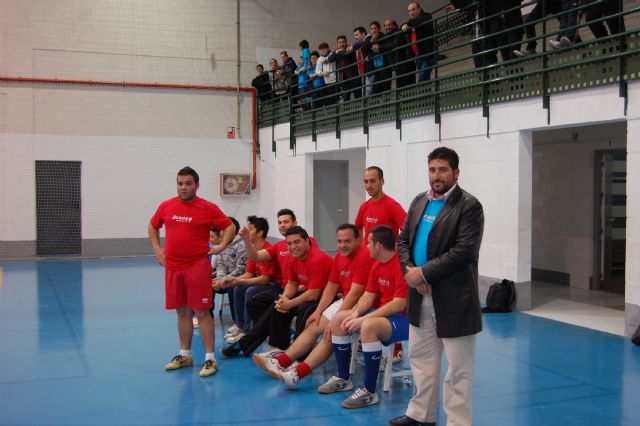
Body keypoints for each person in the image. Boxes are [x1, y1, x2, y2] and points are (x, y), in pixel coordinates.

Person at [390, 147, 484, 426]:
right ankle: (421, 414)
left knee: (458, 369)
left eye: (443, 170)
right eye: (432, 169)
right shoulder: (420, 201)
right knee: (420, 359)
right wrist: (410, 272)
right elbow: (403, 239)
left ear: (456, 172)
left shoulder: (469, 206)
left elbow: (464, 250)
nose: (436, 175)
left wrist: (424, 274)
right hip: (420, 296)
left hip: (454, 298)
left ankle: (457, 421)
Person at [254, 223, 373, 387]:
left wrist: (335, 320)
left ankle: (297, 373)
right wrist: (318, 311)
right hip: (345, 300)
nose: (342, 245)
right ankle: (281, 361)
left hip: (364, 302)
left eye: (347, 241)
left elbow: (355, 293)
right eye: (339, 241)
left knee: (330, 334)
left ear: (358, 239)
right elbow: (332, 286)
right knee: (313, 323)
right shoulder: (339, 256)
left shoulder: (364, 255)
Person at [148, 166, 236, 377]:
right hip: (173, 267)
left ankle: (209, 359)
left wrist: (222, 245)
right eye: (180, 183)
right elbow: (153, 226)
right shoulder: (166, 206)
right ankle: (185, 354)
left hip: (197, 266)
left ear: (196, 185)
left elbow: (229, 227)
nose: (184, 187)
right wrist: (157, 249)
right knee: (181, 311)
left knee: (202, 312)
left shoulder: (208, 208)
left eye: (188, 183)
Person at [318, 225, 409, 409]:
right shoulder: (377, 264)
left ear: (378, 246)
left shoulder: (400, 265)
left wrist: (363, 319)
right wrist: (354, 315)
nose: (366, 246)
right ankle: (343, 378)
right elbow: (368, 296)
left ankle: (369, 391)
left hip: (402, 319)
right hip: (381, 315)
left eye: (368, 242)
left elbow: (399, 304)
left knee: (368, 326)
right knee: (338, 318)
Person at [222, 226, 332, 357]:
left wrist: (289, 303)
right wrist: (284, 298)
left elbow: (314, 294)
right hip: (307, 291)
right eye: (289, 243)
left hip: (327, 296)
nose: (293, 246)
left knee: (303, 308)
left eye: (297, 242)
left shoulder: (317, 258)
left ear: (307, 241)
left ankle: (300, 353)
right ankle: (280, 346)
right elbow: (292, 283)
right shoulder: (292, 257)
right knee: (278, 306)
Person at [220, 216, 282, 342]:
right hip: (264, 282)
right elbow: (248, 273)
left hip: (274, 284)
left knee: (250, 291)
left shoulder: (267, 249)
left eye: (250, 229)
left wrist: (239, 281)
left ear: (260, 233)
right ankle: (240, 326)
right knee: (236, 288)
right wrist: (232, 280)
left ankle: (247, 331)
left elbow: (265, 279)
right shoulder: (252, 249)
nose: (246, 231)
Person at [355, 166, 407, 244]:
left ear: (382, 181)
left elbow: (409, 231)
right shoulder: (364, 206)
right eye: (366, 181)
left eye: (372, 181)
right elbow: (358, 227)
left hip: (385, 255)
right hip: (367, 255)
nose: (368, 186)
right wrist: (359, 250)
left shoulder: (392, 206)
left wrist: (398, 249)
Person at [211, 216, 247, 330]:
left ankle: (238, 323)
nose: (221, 233)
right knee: (207, 282)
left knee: (233, 287)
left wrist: (223, 281)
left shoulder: (242, 246)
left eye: (224, 230)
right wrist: (219, 279)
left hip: (240, 278)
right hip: (225, 278)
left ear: (233, 231)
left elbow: (241, 270)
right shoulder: (223, 244)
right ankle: (207, 317)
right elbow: (220, 264)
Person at [402, 2, 435, 82]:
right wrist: (404, 26)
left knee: (422, 78)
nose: (411, 12)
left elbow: (418, 21)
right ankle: (428, 95)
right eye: (409, 11)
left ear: (419, 9)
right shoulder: (411, 23)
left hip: (427, 54)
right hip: (418, 57)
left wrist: (406, 24)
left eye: (413, 9)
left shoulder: (426, 16)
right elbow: (403, 27)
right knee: (425, 80)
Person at [380, 18, 416, 89]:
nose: (387, 27)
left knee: (408, 86)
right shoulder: (387, 37)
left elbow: (395, 44)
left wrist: (381, 48)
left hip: (406, 65)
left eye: (389, 25)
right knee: (401, 88)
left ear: (394, 25)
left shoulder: (399, 32)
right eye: (386, 26)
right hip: (398, 67)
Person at [327, 35, 362, 101]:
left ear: (346, 42)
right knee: (346, 95)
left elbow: (347, 53)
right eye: (339, 43)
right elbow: (329, 59)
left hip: (353, 75)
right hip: (343, 77)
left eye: (343, 42)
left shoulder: (350, 48)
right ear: (337, 44)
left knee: (358, 94)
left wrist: (340, 52)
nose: (341, 44)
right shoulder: (336, 52)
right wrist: (335, 52)